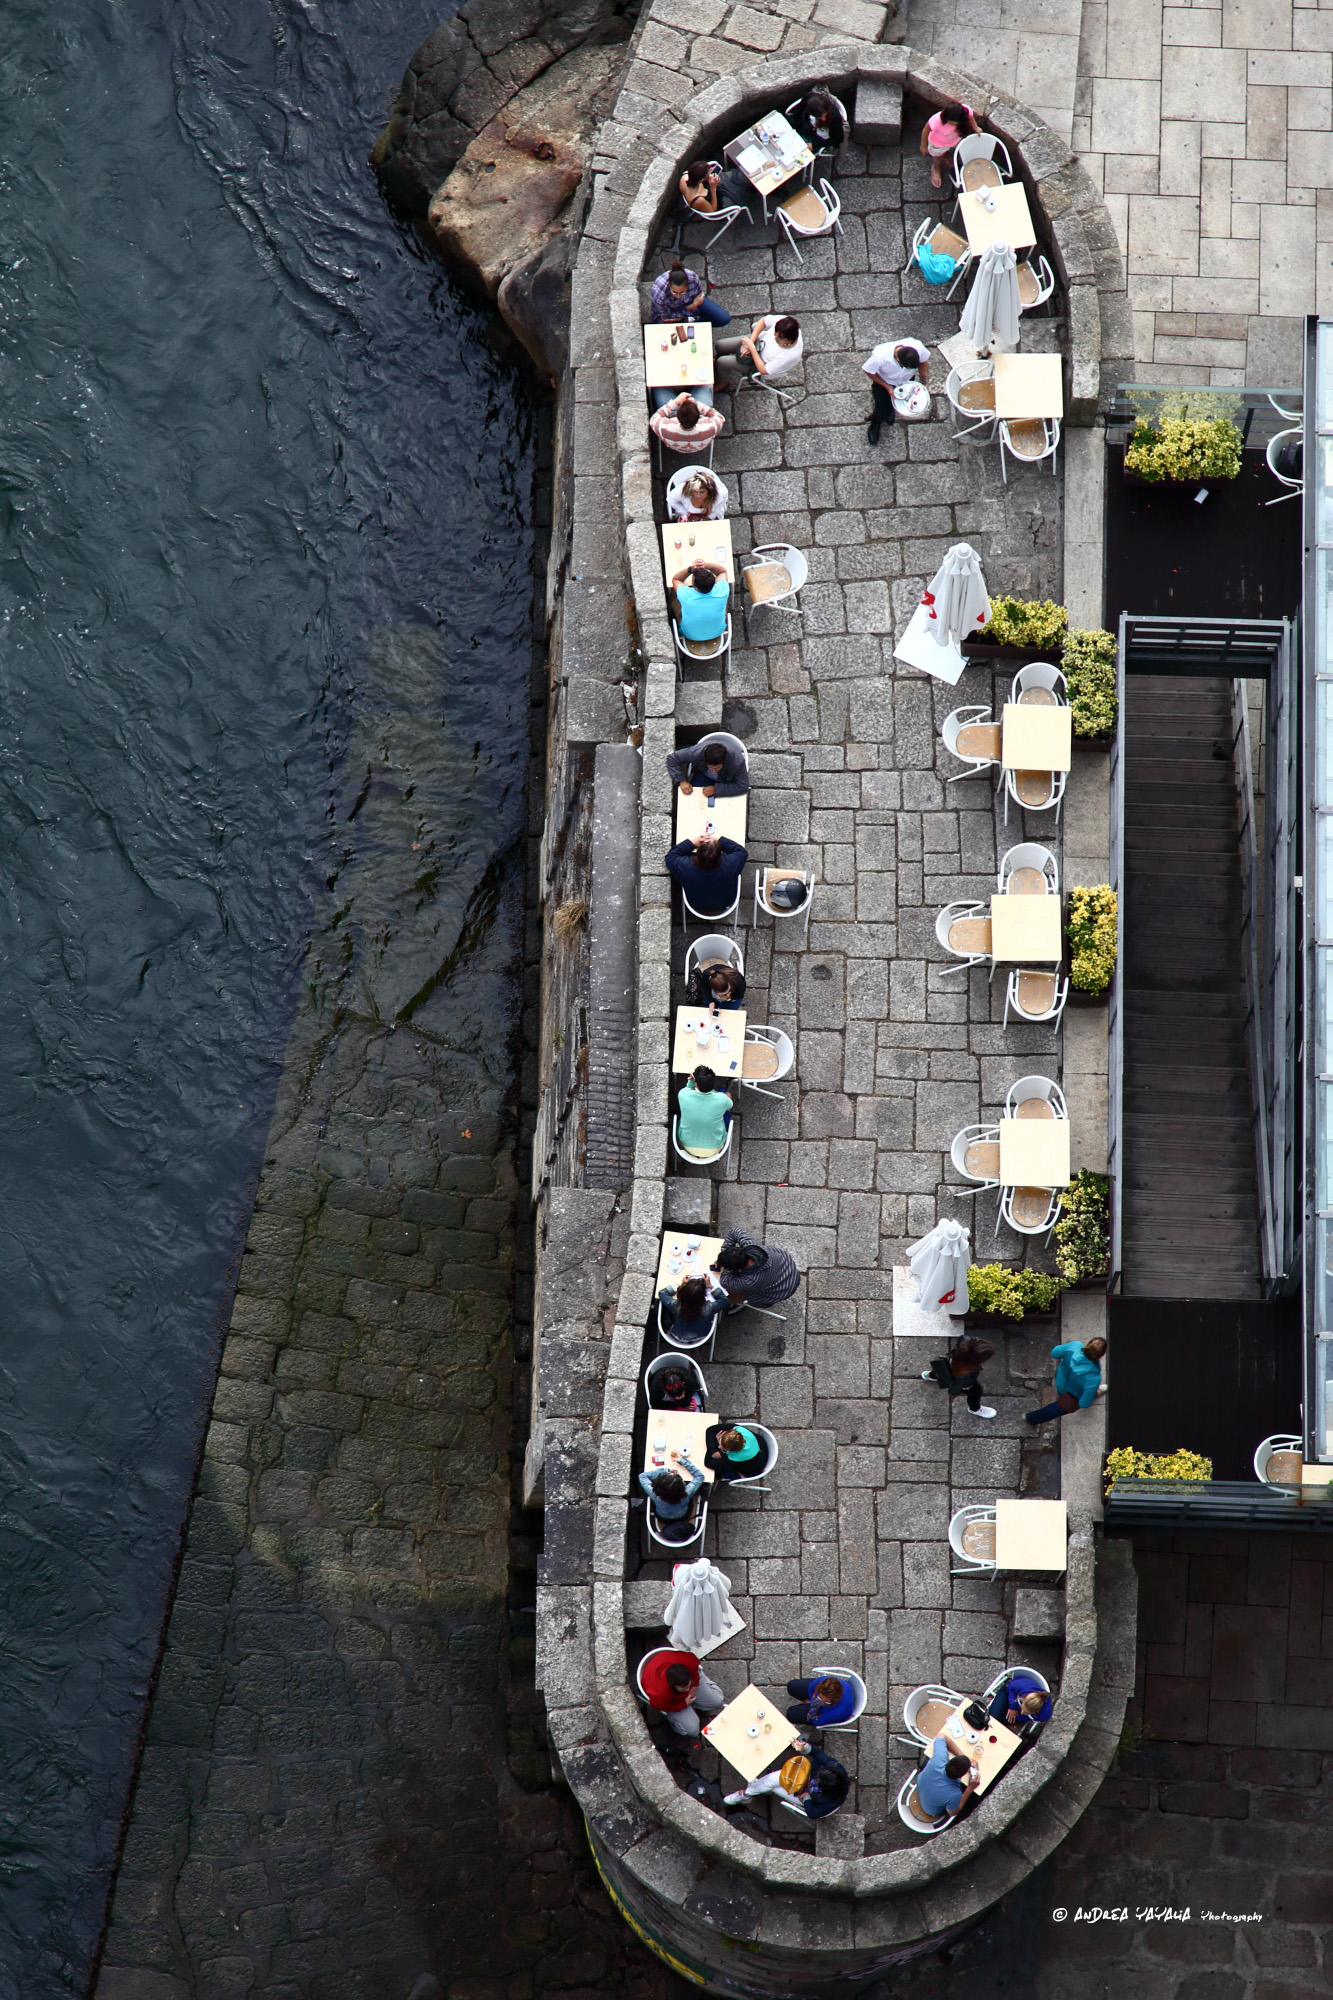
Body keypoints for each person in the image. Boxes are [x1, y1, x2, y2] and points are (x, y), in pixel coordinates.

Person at [724, 1738, 849, 1819]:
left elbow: (813, 1813)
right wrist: (804, 1748)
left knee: (772, 1785)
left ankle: (749, 1793)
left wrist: (806, 1797)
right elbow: (819, 1755)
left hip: (805, 1795)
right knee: (770, 1780)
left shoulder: (830, 1802)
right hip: (803, 1777)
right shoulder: (835, 1767)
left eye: (818, 1781)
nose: (816, 1777)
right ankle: (747, 1794)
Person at [711, 1225, 800, 1314]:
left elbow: (725, 1281)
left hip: (783, 1289)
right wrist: (725, 1252)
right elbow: (734, 1231)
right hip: (786, 1265)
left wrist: (726, 1268)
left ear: (737, 1268)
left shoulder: (751, 1281)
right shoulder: (751, 1245)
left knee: (727, 1295)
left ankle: (737, 1303)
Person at [639, 1647, 726, 1737]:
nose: (688, 1690)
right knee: (693, 1731)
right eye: (684, 1689)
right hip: (672, 1702)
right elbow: (662, 1707)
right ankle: (679, 1719)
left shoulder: (687, 1661)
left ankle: (694, 1703)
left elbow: (694, 1668)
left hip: (682, 1686)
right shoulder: (660, 1695)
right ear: (672, 1686)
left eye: (689, 1684)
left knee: (717, 1702)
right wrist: (683, 1704)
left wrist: (694, 1686)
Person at [1025, 1336, 1108, 1428]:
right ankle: (1097, 1392)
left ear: (1088, 1345)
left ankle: (1031, 1419)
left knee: (1052, 1410)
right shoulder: (1094, 1378)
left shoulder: (1074, 1346)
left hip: (1060, 1380)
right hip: (1072, 1395)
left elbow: (1054, 1353)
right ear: (1101, 1356)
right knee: (1057, 1409)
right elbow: (1084, 1403)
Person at [862, 337, 931, 445]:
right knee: (881, 408)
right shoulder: (880, 356)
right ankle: (876, 422)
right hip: (886, 383)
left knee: (901, 402)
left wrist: (925, 384)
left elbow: (923, 363)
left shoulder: (918, 347)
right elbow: (869, 371)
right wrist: (887, 386)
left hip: (906, 381)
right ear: (899, 360)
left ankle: (889, 412)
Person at [664, 834, 747, 915]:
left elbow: (670, 857)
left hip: (696, 903)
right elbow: (741, 851)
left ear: (697, 854)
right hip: (726, 902)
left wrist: (691, 844)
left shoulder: (685, 866)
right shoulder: (732, 863)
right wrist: (719, 841)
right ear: (720, 855)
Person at [921, 1335, 997, 1419]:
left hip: (950, 1366)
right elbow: (956, 1386)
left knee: (942, 1372)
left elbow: (964, 1337)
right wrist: (954, 1392)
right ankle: (975, 1408)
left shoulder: (963, 1345)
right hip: (965, 1384)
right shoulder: (966, 1375)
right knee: (976, 1392)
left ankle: (929, 1375)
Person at [714, 315, 803, 386]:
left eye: (779, 339)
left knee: (722, 362)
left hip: (759, 364)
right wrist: (751, 342)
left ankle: (723, 382)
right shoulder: (785, 323)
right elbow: (763, 321)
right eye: (774, 335)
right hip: (757, 342)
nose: (775, 339)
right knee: (720, 345)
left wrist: (752, 349)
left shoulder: (790, 356)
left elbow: (763, 370)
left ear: (790, 340)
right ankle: (717, 365)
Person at [915, 1730, 980, 1823]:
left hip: (921, 1784)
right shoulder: (955, 1794)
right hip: (929, 1809)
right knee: (971, 1800)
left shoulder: (939, 1759)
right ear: (964, 1774)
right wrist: (970, 1788)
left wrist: (966, 1759)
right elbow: (953, 1812)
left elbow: (941, 1735)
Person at [650, 258, 731, 329]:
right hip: (672, 313)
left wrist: (693, 306)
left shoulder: (693, 278)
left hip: (690, 305)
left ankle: (699, 323)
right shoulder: (660, 294)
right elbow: (668, 316)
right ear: (669, 285)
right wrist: (692, 306)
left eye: (682, 292)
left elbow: (698, 296)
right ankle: (693, 323)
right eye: (674, 292)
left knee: (724, 318)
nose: (678, 296)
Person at [920, 101, 979, 189]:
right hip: (938, 142)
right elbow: (926, 130)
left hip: (953, 139)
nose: (953, 125)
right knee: (937, 157)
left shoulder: (965, 111)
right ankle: (936, 168)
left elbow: (970, 116)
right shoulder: (936, 120)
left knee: (946, 150)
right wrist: (923, 146)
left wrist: (976, 127)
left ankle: (944, 156)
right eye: (950, 122)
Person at [670, 560, 730, 646]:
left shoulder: (686, 596)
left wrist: (690, 570)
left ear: (695, 586)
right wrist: (707, 565)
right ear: (714, 583)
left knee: (674, 593)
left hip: (689, 634)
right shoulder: (722, 591)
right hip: (717, 631)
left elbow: (676, 579)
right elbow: (722, 571)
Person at [677, 1066, 733, 1156]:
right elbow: (730, 1105)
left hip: (686, 1144)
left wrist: (690, 1082)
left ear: (696, 1084)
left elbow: (688, 1089)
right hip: (714, 1147)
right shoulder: (722, 1099)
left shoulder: (683, 1094)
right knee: (727, 1094)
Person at [658, 1272, 728, 1344]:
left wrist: (681, 1285)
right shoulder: (709, 1308)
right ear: (703, 1296)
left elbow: (662, 1293)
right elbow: (725, 1300)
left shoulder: (676, 1305)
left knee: (665, 1308)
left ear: (683, 1293)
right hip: (702, 1336)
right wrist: (710, 1285)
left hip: (677, 1335)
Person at [667, 736, 747, 797]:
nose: (714, 771)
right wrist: (681, 780)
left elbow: (743, 786)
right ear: (704, 760)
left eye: (717, 768)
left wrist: (717, 790)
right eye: (711, 768)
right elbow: (672, 758)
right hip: (703, 775)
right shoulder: (696, 752)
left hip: (726, 779)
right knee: (692, 797)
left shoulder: (737, 761)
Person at [650, 390, 726, 453]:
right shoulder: (711, 427)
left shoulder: (665, 427)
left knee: (658, 389)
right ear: (698, 416)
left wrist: (675, 402)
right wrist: (696, 404)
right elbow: (720, 417)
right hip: (699, 445)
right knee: (706, 385)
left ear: (677, 414)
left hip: (674, 445)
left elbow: (653, 419)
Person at [638, 1459, 704, 1527]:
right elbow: (700, 1476)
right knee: (690, 1499)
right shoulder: (688, 1492)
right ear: (682, 1488)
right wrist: (683, 1461)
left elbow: (642, 1476)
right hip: (682, 1516)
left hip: (662, 1517)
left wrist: (666, 1471)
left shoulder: (654, 1493)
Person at [790, 87, 848, 161]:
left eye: (824, 116)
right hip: (807, 128)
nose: (823, 119)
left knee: (798, 157)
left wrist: (814, 145)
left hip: (819, 139)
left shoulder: (835, 117)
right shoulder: (807, 98)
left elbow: (838, 139)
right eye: (819, 117)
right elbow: (797, 114)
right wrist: (797, 132)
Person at [680, 158, 751, 217]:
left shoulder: (685, 177)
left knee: (741, 176)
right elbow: (713, 210)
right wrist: (713, 188)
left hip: (712, 186)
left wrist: (709, 178)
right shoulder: (698, 200)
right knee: (739, 189)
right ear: (701, 179)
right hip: (720, 200)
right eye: (708, 174)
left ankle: (746, 179)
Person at [988, 1670, 1054, 1734]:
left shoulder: (1044, 1714)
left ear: (1035, 1712)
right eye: (1022, 1708)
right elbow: (1010, 1686)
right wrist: (1013, 1706)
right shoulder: (1021, 1686)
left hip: (1022, 1704)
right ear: (1024, 1698)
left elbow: (1031, 1718)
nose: (1022, 1712)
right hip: (1009, 1692)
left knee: (999, 1721)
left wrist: (1019, 1717)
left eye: (1025, 1712)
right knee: (993, 1720)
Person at [786, 1673, 858, 1728]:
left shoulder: (837, 1712)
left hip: (826, 1712)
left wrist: (815, 1707)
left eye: (825, 1701)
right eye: (820, 1697)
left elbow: (817, 1721)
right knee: (792, 1686)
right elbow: (811, 1687)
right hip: (827, 1701)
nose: (821, 1701)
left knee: (791, 1714)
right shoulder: (823, 1681)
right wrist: (814, 1700)